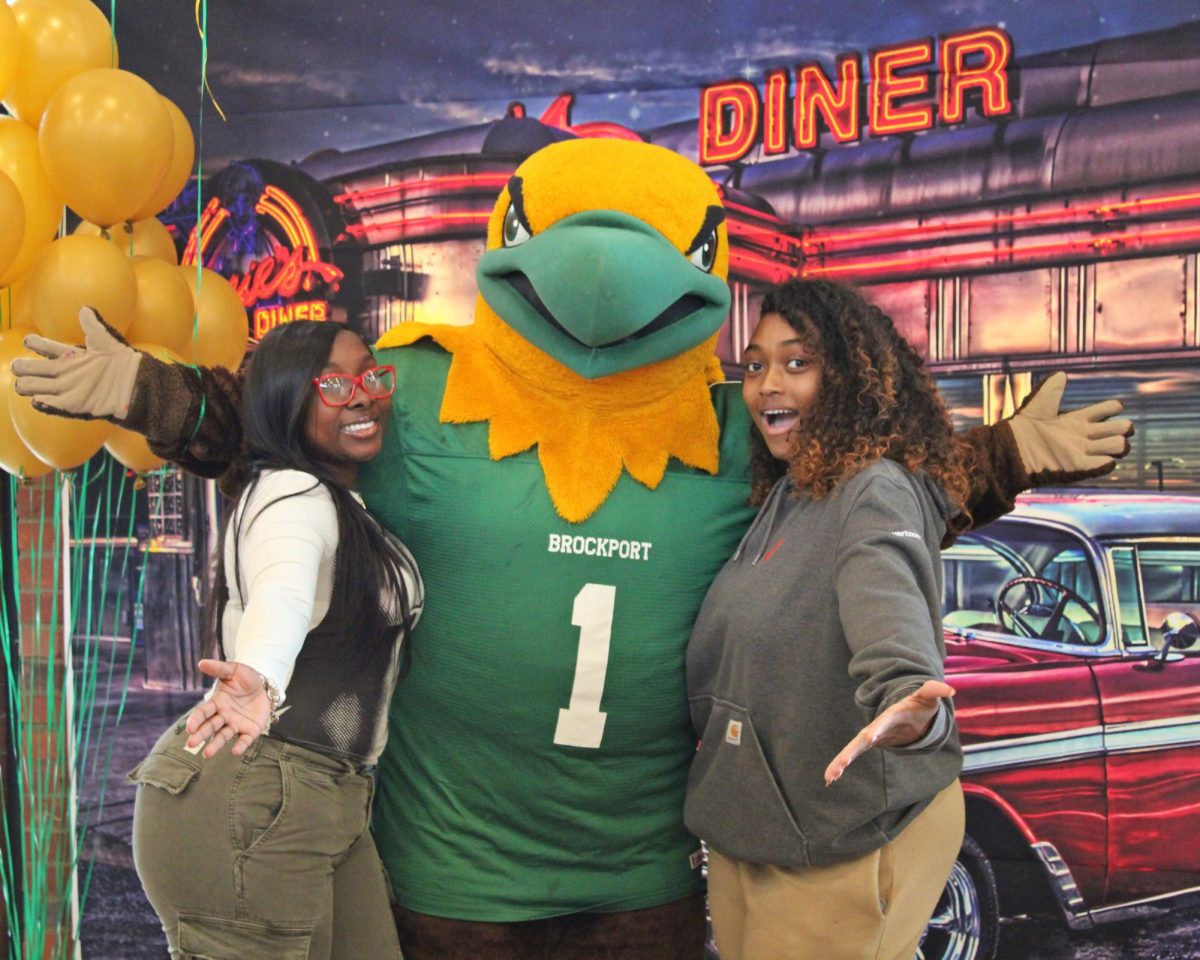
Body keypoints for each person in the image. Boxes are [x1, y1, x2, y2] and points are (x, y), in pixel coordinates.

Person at [685, 278, 976, 960]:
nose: (766, 385)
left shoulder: (873, 490)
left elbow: (890, 618)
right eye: (754, 365)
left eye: (797, 362)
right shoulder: (793, 493)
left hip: (848, 832)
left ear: (848, 376)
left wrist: (909, 705)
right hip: (763, 829)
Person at [127, 319, 423, 960]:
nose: (363, 396)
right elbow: (282, 593)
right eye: (335, 385)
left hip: (319, 796)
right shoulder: (294, 493)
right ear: (286, 397)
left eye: (371, 377)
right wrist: (259, 670)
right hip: (255, 795)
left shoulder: (336, 501)